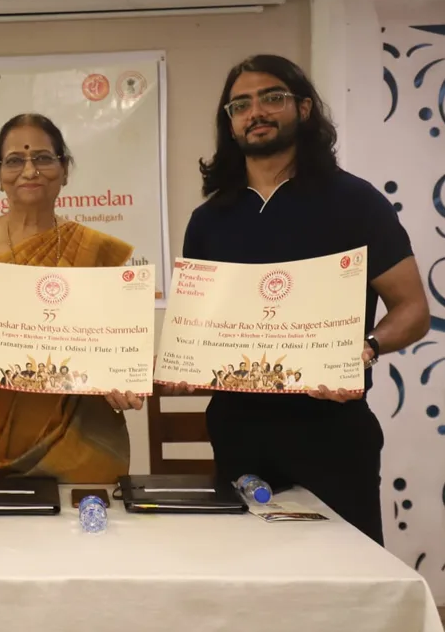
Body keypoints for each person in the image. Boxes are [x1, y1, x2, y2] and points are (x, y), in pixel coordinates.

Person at [173, 54, 430, 544]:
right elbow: (198, 328)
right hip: (237, 434)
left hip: (332, 432)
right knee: (251, 586)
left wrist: (367, 347)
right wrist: (184, 361)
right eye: (241, 105)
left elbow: (413, 309)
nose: (257, 112)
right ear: (230, 123)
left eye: (273, 97)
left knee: (348, 588)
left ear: (305, 109)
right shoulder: (208, 220)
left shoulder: (357, 202)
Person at [0, 113, 143, 483]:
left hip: (75, 436)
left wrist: (125, 378)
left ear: (64, 169)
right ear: (0, 174)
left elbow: (112, 349)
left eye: (43, 158)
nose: (29, 170)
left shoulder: (92, 250)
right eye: (15, 160)